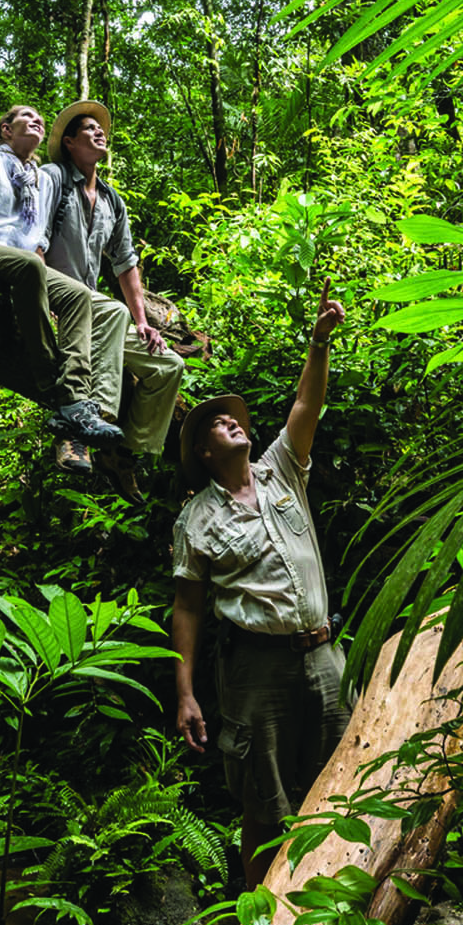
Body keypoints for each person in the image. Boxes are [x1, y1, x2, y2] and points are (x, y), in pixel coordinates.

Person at [168, 290, 348, 889]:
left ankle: (339, 922)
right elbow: (188, 607)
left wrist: (319, 339)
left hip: (323, 656)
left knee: (343, 788)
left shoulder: (281, 471)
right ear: (203, 450)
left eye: (236, 418)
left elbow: (306, 404)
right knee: (265, 808)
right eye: (220, 424)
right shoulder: (196, 517)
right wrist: (185, 693)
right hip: (256, 670)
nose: (234, 422)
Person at [0, 105, 124, 470]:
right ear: (6, 130)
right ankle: (50, 382)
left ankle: (75, 401)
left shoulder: (39, 179)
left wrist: (47, 287)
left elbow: (36, 239)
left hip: (22, 259)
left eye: (40, 117)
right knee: (28, 265)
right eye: (27, 116)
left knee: (76, 294)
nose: (37, 119)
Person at [36, 100, 186, 473]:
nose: (99, 132)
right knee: (111, 311)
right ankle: (84, 426)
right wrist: (40, 299)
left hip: (95, 312)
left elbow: (126, 263)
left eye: (100, 129)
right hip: (60, 301)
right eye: (88, 129)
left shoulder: (111, 200)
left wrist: (143, 322)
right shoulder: (53, 177)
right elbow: (34, 239)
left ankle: (121, 455)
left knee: (169, 365)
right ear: (69, 143)